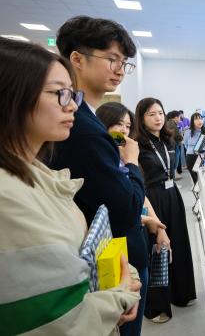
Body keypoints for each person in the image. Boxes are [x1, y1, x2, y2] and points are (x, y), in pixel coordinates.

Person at [0, 37, 141, 335]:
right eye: (58, 94)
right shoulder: (8, 195)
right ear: (12, 96)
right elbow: (60, 318)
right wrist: (122, 293)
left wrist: (122, 276)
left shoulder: (34, 172)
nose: (71, 107)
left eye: (71, 95)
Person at [48, 16, 149, 336]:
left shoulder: (85, 123)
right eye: (112, 59)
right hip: (104, 256)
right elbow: (123, 209)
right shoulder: (83, 130)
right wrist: (132, 164)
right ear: (76, 59)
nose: (120, 69)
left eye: (124, 62)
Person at [134, 98, 197, 323]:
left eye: (160, 113)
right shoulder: (137, 144)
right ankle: (156, 306)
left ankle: (182, 293)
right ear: (141, 118)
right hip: (152, 198)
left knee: (179, 242)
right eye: (151, 114)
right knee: (158, 249)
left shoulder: (168, 140)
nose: (158, 117)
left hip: (172, 195)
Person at [95, 101, 170, 254]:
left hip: (139, 227)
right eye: (119, 124)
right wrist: (132, 161)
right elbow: (123, 203)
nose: (124, 131)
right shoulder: (107, 159)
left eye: (128, 126)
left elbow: (138, 191)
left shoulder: (123, 153)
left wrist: (156, 223)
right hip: (119, 240)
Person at [183, 112, 205, 184]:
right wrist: (192, 150)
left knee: (202, 179)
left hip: (202, 157)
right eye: (196, 119)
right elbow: (186, 145)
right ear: (192, 121)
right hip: (190, 157)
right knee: (195, 180)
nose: (199, 121)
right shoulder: (188, 132)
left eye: (200, 118)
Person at [165, 110, 184, 178]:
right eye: (179, 117)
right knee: (174, 163)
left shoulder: (169, 123)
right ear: (175, 117)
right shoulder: (171, 124)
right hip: (174, 146)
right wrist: (181, 137)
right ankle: (173, 180)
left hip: (172, 145)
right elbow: (177, 136)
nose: (180, 119)